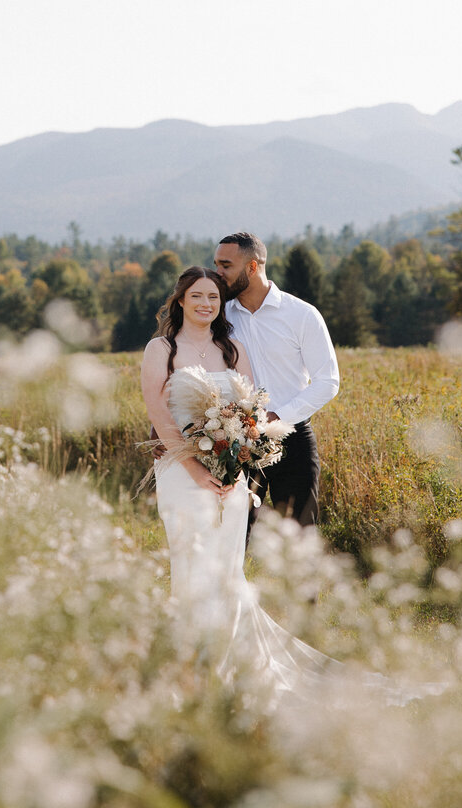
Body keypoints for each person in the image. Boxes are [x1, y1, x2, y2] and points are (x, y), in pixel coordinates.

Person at [141, 265, 333, 695]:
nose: (206, 303)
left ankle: (228, 663)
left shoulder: (232, 349)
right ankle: (191, 665)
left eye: (213, 296)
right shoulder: (162, 349)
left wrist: (240, 461)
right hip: (181, 472)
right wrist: (195, 469)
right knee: (192, 562)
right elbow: (158, 412)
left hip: (231, 476)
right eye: (197, 296)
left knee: (227, 567)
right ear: (180, 300)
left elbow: (250, 411)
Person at [214, 232, 339, 528]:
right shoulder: (218, 317)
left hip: (292, 441)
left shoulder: (302, 315)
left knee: (299, 534)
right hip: (235, 442)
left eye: (226, 266)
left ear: (252, 267)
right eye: (216, 265)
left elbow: (328, 381)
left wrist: (279, 417)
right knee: (232, 533)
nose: (217, 273)